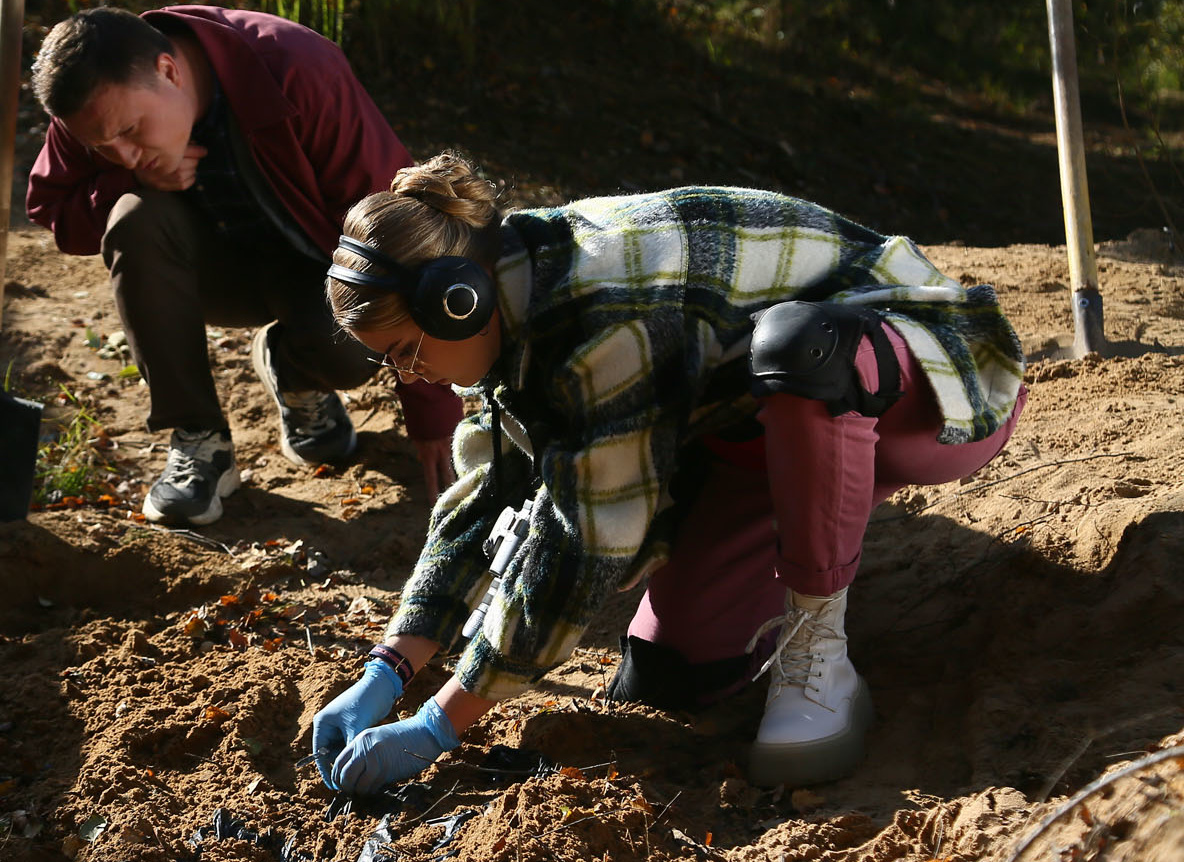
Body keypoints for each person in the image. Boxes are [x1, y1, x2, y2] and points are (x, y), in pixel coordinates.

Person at [310, 154, 1025, 792]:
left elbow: (584, 544)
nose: (407, 374)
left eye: (404, 351)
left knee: (801, 347)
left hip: (920, 380)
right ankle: (799, 556)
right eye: (388, 360)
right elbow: (484, 492)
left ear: (455, 298)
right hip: (754, 430)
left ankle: (820, 649)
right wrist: (388, 668)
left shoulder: (602, 312)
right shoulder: (498, 302)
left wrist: (441, 723)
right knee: (670, 674)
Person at [25, 6, 463, 527]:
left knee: (348, 351)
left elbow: (400, 228)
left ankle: (296, 371)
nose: (122, 154)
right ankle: (198, 440)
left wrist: (432, 411)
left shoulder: (296, 67)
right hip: (202, 274)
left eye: (131, 131)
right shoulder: (93, 100)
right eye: (103, 146)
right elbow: (53, 211)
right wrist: (127, 185)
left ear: (169, 70)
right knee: (131, 218)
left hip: (312, 272)